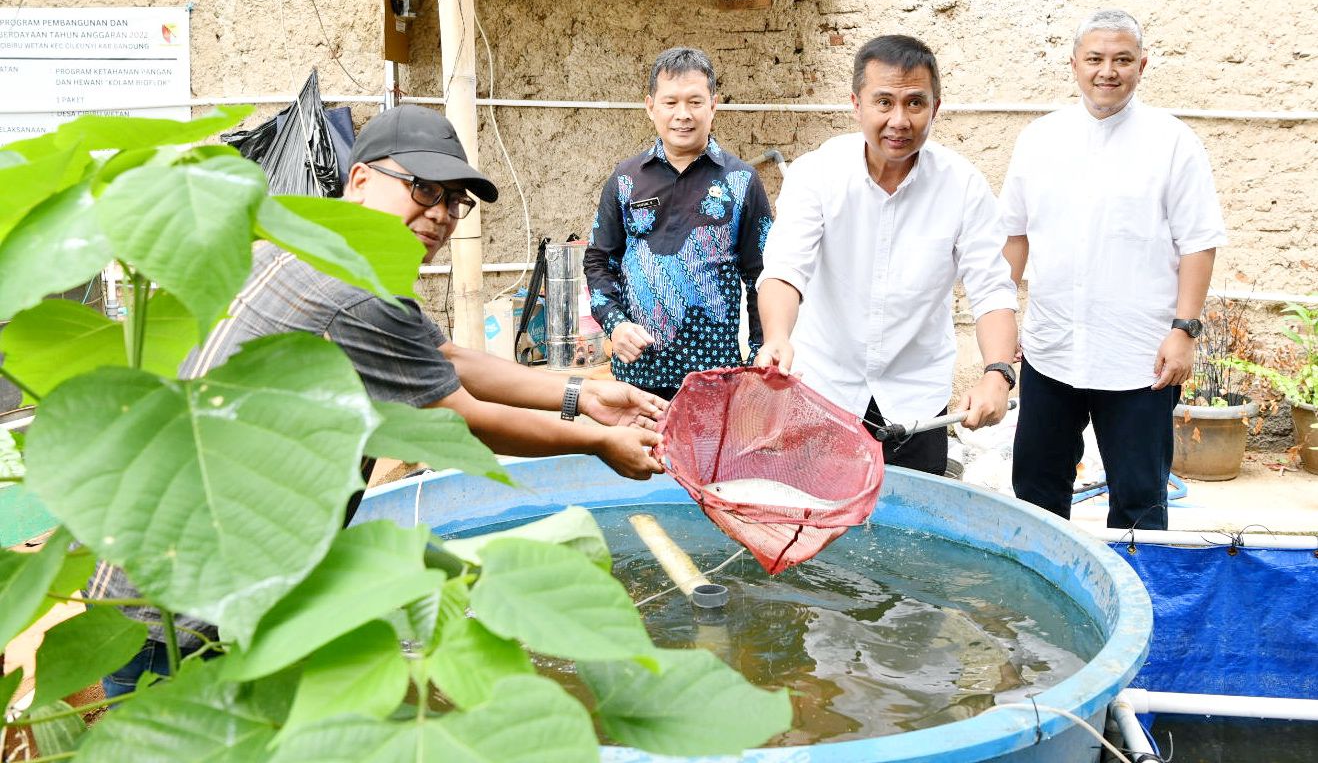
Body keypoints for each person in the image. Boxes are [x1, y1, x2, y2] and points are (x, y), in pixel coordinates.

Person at [90, 104, 666, 696]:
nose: (440, 214)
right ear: (360, 179)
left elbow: (447, 360)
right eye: (423, 187)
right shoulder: (358, 292)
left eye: (454, 201)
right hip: (193, 616)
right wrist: (599, 442)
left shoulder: (302, 250)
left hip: (141, 578)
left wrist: (585, 393)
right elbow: (462, 422)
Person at [1000, 9, 1227, 530]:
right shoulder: (1040, 140)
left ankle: (1140, 604)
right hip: (1051, 349)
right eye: (1095, 59)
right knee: (1035, 488)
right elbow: (1014, 234)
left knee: (1140, 496)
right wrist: (1003, 314)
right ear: (1074, 64)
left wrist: (1184, 330)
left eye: (1122, 59)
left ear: (1142, 65)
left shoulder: (1174, 143)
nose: (1108, 71)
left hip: (1139, 359)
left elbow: (1199, 244)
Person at [754, 35, 1018, 475]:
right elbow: (785, 269)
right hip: (823, 390)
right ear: (856, 104)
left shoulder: (963, 186)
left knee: (910, 534)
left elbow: (992, 288)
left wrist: (997, 374)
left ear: (936, 107)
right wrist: (778, 336)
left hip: (916, 399)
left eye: (915, 103)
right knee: (816, 527)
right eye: (884, 102)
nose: (899, 120)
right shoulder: (816, 174)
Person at [584, 47, 774, 401]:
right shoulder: (625, 179)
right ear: (650, 106)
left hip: (715, 378)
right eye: (670, 103)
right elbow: (599, 261)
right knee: (640, 457)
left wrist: (759, 355)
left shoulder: (742, 181)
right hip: (637, 378)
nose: (682, 115)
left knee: (706, 459)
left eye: (695, 102)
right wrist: (615, 324)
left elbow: (762, 275)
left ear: (713, 106)